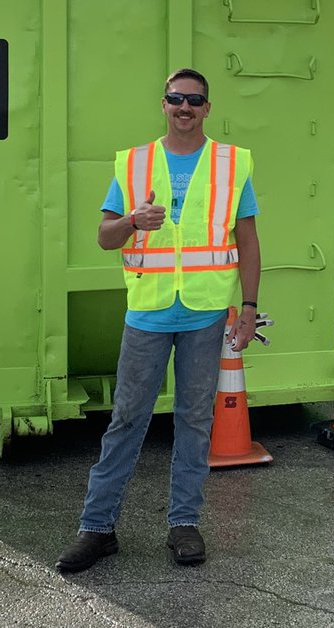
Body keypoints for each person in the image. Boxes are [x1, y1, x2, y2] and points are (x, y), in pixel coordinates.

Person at [57, 68, 261, 571]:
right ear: (164, 104)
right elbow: (106, 236)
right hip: (148, 312)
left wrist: (250, 307)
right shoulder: (135, 163)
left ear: (208, 108)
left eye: (195, 99)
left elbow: (248, 240)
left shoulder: (232, 164)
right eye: (176, 98)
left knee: (195, 421)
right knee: (127, 419)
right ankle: (97, 528)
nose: (184, 107)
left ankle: (184, 524)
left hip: (205, 311)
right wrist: (131, 221)